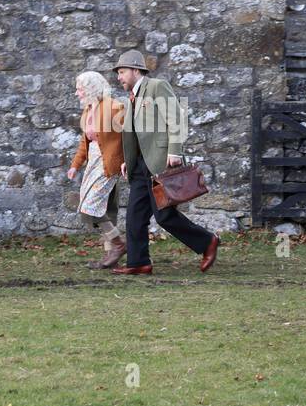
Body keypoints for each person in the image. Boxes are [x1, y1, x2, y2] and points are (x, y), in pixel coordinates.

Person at [110, 50, 219, 275]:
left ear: (135, 70)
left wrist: (175, 150)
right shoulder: (132, 97)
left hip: (159, 162)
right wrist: (127, 162)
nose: (118, 77)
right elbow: (136, 134)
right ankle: (139, 262)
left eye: (121, 72)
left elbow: (176, 118)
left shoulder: (157, 86)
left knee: (164, 216)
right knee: (134, 216)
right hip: (140, 166)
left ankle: (207, 242)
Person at [66, 70, 127, 269]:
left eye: (80, 89)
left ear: (91, 88)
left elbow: (129, 136)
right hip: (93, 162)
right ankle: (111, 253)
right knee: (103, 208)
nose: (77, 93)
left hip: (108, 164)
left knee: (90, 206)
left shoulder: (114, 107)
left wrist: (127, 161)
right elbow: (85, 143)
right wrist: (75, 165)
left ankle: (118, 245)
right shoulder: (88, 109)